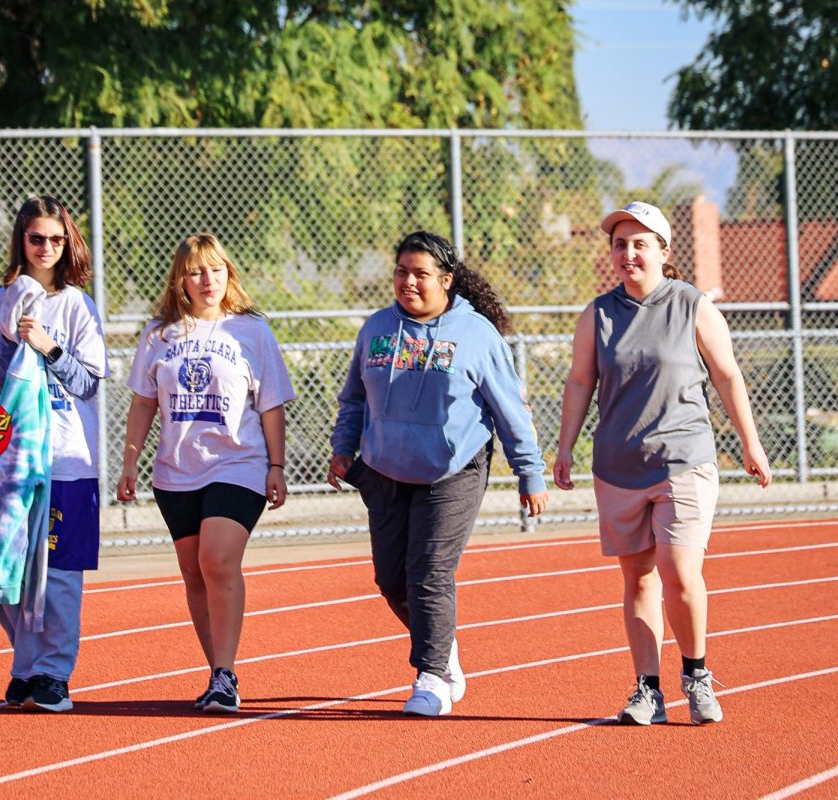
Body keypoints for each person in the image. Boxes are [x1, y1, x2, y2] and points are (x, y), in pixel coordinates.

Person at [553, 201, 772, 726]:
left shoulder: (694, 307)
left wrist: (751, 442)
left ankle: (696, 676)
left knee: (678, 572)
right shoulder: (597, 315)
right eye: (619, 244)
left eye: (639, 244)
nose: (628, 253)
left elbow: (727, 377)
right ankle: (646, 690)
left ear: (663, 251)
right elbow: (581, 381)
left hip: (683, 460)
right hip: (617, 466)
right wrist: (563, 448)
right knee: (639, 580)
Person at [327, 231, 550, 717]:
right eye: (401, 271)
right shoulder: (377, 328)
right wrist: (344, 447)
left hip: (453, 471)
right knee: (391, 580)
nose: (408, 281)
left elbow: (510, 408)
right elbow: (354, 398)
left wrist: (529, 472)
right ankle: (441, 646)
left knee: (429, 572)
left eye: (421, 273)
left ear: (446, 280)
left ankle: (430, 678)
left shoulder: (477, 335)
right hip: (384, 470)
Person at [117, 233, 295, 714]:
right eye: (196, 271)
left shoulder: (251, 331)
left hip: (239, 463)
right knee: (194, 572)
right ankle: (218, 672)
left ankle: (226, 671)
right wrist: (130, 461)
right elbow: (143, 404)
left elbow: (272, 404)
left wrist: (277, 466)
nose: (207, 279)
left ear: (228, 273)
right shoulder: (159, 335)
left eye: (215, 269)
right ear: (181, 280)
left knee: (217, 560)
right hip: (176, 471)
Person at [0, 195, 109, 713]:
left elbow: (88, 384)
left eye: (55, 239)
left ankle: (54, 673)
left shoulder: (77, 305)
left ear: (66, 241)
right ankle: (25, 666)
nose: (46, 247)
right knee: (6, 571)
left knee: (60, 575)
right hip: (12, 460)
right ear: (21, 241)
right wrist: (14, 337)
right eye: (36, 238)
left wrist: (49, 345)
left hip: (67, 460)